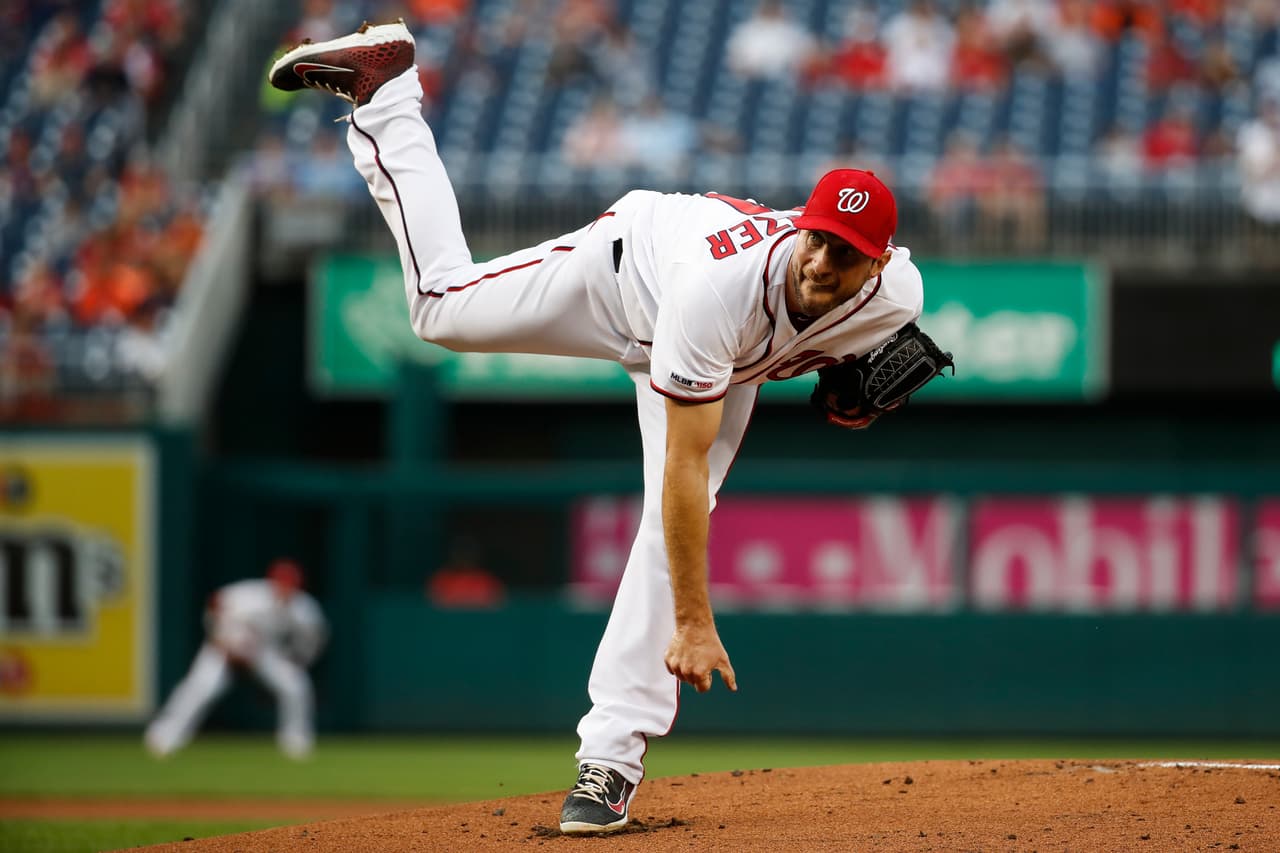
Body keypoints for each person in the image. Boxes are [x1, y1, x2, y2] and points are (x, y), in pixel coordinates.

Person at [269, 20, 933, 834]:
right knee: (440, 311)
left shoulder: (897, 298)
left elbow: (847, 352)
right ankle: (388, 92)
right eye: (819, 238)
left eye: (847, 252)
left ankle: (609, 762)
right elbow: (684, 470)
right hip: (630, 277)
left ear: (880, 260)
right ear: (804, 224)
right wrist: (694, 621)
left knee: (667, 525)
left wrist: (842, 383)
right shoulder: (719, 293)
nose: (824, 260)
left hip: (725, 357)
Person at [144, 559, 328, 760]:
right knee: (202, 687)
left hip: (262, 650)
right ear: (272, 581)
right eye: (282, 583)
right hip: (227, 644)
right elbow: (215, 603)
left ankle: (296, 742)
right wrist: (220, 639)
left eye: (290, 584)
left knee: (295, 685)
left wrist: (295, 661)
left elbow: (313, 640)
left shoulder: (305, 608)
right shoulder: (251, 594)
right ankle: (163, 736)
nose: (285, 588)